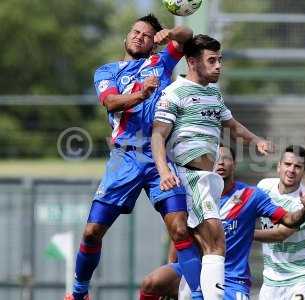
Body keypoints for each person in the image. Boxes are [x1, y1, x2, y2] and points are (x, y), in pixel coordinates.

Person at [64, 15, 195, 300]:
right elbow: (110, 102)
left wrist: (171, 32)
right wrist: (141, 94)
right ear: (126, 36)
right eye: (136, 32)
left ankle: (198, 294)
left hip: (160, 158)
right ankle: (78, 293)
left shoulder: (161, 62)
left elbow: (188, 35)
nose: (139, 36)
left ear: (153, 43)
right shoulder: (107, 71)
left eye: (147, 35)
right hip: (125, 159)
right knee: (91, 232)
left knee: (181, 230)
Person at [151, 34, 277, 299]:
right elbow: (158, 135)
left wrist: (256, 140)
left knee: (200, 245)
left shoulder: (213, 93)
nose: (218, 65)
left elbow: (231, 124)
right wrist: (164, 172)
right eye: (212, 60)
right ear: (193, 62)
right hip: (191, 175)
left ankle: (189, 293)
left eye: (220, 60)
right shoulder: (174, 93)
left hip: (208, 178)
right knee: (215, 242)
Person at [140, 145, 305, 300]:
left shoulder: (253, 195)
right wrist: (171, 265)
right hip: (200, 270)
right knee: (151, 283)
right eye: (215, 158)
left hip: (242, 278)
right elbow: (180, 232)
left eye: (225, 158)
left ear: (234, 164)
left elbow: (284, 228)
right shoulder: (195, 194)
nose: (220, 162)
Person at [255, 145, 305, 300]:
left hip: (303, 277)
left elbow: (280, 234)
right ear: (279, 166)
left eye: (298, 166)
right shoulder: (264, 187)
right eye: (287, 164)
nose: (291, 170)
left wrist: (242, 232)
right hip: (271, 280)